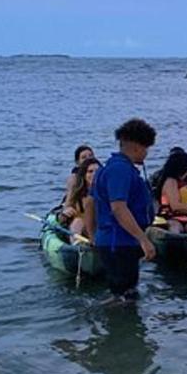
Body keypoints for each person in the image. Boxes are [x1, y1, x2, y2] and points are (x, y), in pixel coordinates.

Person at [85, 118, 157, 300]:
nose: (146, 154)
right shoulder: (120, 170)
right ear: (136, 147)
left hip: (110, 241)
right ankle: (121, 326)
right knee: (126, 296)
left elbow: (90, 203)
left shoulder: (107, 168)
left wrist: (94, 235)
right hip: (120, 242)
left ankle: (112, 325)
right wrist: (144, 240)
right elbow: (118, 208)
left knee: (120, 293)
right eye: (146, 148)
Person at [151, 150, 187, 235]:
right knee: (175, 227)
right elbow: (175, 206)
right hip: (172, 217)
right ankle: (174, 242)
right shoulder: (170, 182)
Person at [67, 156, 101, 240]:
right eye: (90, 171)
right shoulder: (77, 196)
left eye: (97, 171)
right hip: (83, 231)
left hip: (100, 229)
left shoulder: (108, 194)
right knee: (77, 222)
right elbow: (63, 217)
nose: (94, 174)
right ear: (84, 176)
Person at [61, 144, 96, 216]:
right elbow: (69, 202)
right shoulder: (74, 178)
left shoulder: (100, 173)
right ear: (77, 162)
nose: (88, 158)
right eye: (84, 157)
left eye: (90, 155)